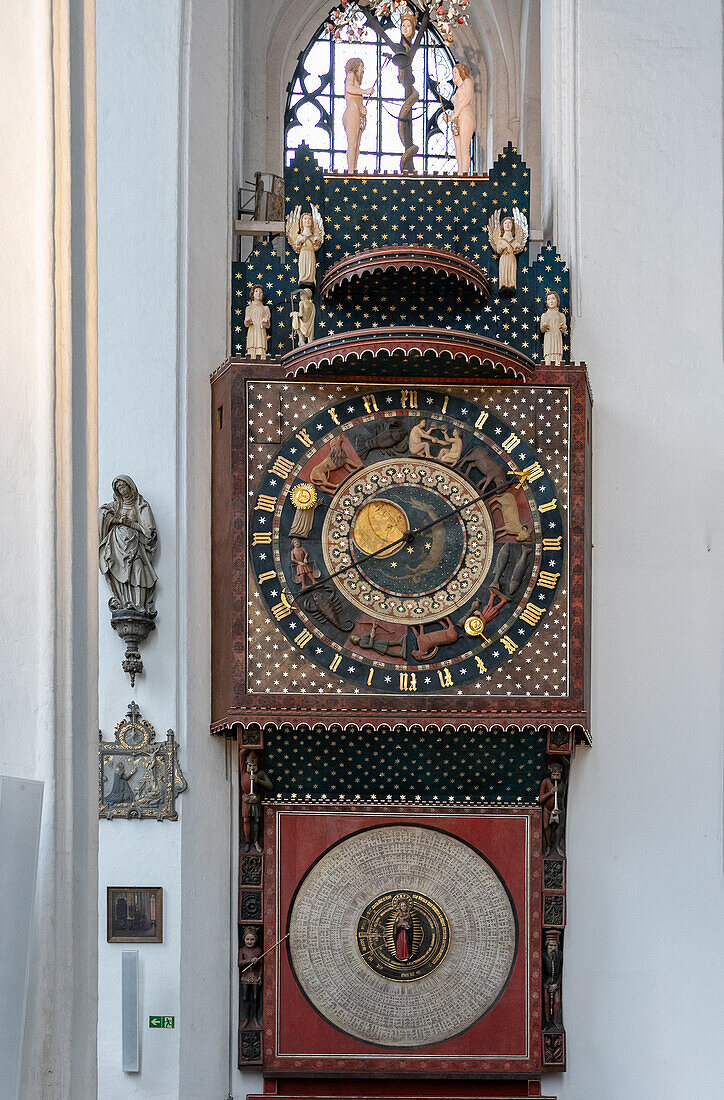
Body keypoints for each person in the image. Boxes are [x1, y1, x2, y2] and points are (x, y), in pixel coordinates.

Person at [99, 475, 158, 612]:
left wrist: (130, 524)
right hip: (118, 545)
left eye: (123, 486)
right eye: (119, 488)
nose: (122, 490)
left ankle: (139, 605)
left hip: (135, 545)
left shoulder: (140, 506)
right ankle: (125, 602)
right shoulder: (116, 506)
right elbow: (102, 515)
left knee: (138, 571)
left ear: (130, 486)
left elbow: (148, 530)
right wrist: (119, 521)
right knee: (121, 572)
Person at [343, 58, 375, 173]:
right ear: (355, 66)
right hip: (352, 111)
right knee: (352, 143)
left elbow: (358, 100)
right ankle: (350, 170)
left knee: (357, 145)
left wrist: (363, 109)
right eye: (361, 66)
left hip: (358, 112)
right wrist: (365, 91)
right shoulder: (350, 75)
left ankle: (354, 168)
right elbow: (349, 89)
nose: (362, 70)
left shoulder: (358, 84)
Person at [240, 750, 273, 852]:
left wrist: (258, 780)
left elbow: (270, 786)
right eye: (250, 765)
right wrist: (248, 745)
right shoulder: (243, 771)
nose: (251, 768)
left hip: (256, 799)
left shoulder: (260, 773)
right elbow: (241, 754)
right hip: (246, 799)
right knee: (246, 820)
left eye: (254, 765)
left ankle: (255, 841)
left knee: (257, 820)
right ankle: (247, 842)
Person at [446, 63, 475, 174]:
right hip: (456, 119)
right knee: (458, 151)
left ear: (461, 72)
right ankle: (460, 173)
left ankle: (464, 175)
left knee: (464, 147)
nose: (453, 75)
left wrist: (455, 114)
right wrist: (449, 117)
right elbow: (456, 106)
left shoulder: (468, 82)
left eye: (455, 72)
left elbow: (467, 98)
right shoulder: (458, 89)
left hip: (465, 116)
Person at [239, 926, 263, 1029]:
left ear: (255, 940)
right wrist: (249, 961)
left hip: (255, 978)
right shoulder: (242, 950)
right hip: (245, 977)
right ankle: (246, 1019)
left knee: (255, 997)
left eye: (252, 939)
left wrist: (260, 977)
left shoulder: (258, 950)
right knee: (245, 998)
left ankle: (254, 1018)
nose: (249, 941)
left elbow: (262, 966)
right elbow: (239, 963)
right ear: (244, 939)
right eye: (247, 939)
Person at [540, 290, 567, 364]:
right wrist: (544, 326)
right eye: (549, 299)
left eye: (553, 298)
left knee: (557, 353)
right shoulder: (544, 315)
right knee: (549, 353)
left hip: (557, 336)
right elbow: (542, 329)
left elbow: (564, 328)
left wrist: (564, 327)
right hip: (549, 336)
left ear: (557, 301)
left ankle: (558, 363)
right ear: (546, 303)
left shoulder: (561, 315)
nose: (551, 301)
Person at [244, 284, 270, 359]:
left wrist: (265, 321)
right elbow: (246, 324)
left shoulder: (265, 308)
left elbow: (268, 325)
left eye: (261, 292)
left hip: (261, 331)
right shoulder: (248, 308)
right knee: (251, 350)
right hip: (252, 331)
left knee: (261, 349)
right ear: (252, 294)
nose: (259, 293)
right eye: (256, 291)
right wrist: (247, 320)